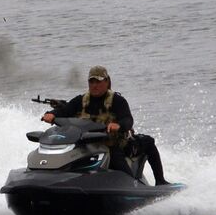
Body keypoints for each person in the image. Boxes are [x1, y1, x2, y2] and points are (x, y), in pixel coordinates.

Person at [41, 65, 172, 185]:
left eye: (98, 82)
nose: (94, 85)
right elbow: (64, 111)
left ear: (107, 82)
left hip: (113, 145)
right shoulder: (80, 100)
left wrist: (118, 125)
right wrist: (51, 114)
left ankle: (157, 181)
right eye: (91, 82)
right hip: (86, 146)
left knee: (148, 142)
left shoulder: (117, 101)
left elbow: (127, 119)